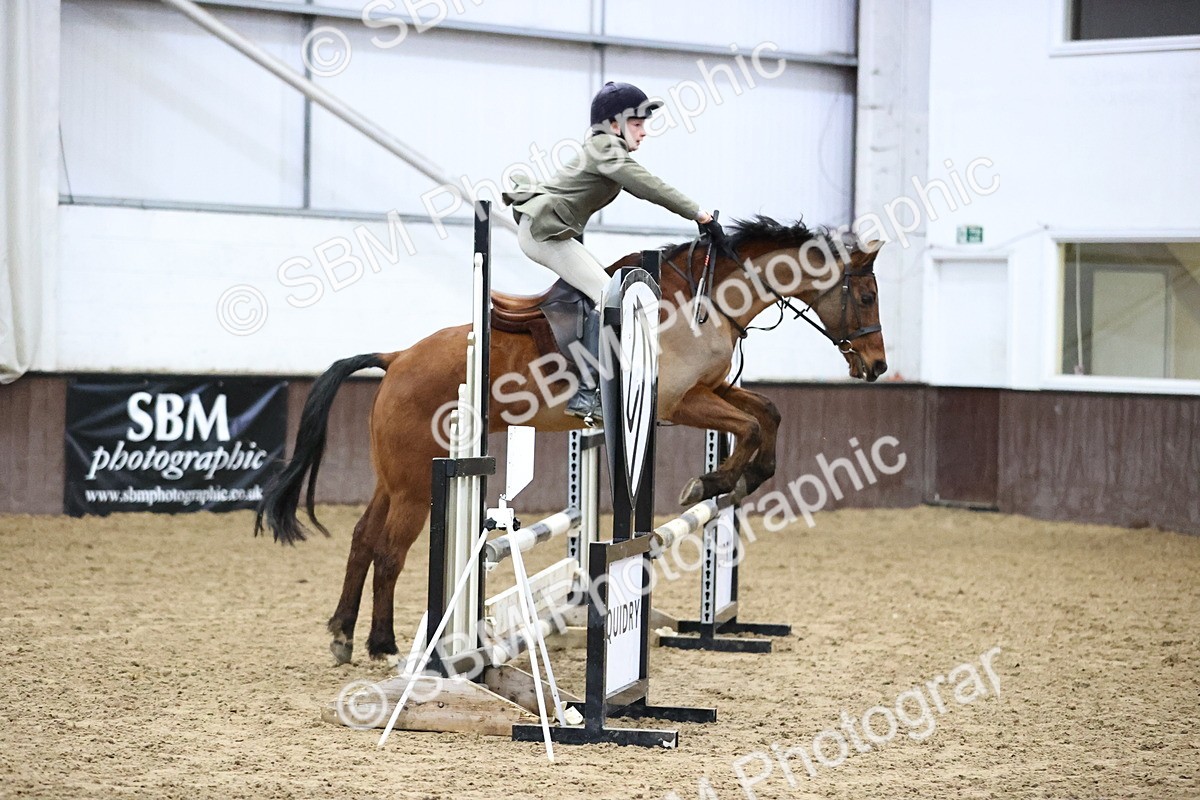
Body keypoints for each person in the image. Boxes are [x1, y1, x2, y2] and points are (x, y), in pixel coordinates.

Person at [503, 81, 729, 424]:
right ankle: (586, 394)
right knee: (609, 296)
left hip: (550, 231)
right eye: (637, 124)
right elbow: (651, 187)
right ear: (613, 125)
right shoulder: (607, 150)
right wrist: (700, 215)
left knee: (606, 290)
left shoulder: (606, 151)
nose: (644, 132)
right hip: (544, 234)